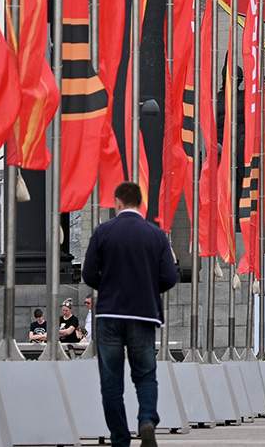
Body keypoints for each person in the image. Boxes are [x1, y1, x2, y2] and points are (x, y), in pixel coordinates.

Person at [80, 181, 180, 447]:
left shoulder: (103, 232)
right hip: (143, 315)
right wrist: (147, 286)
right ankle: (146, 419)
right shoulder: (156, 235)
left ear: (118, 202)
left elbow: (88, 274)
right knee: (145, 375)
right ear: (140, 203)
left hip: (110, 315)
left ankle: (120, 439)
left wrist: (109, 284)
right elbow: (170, 277)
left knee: (111, 381)